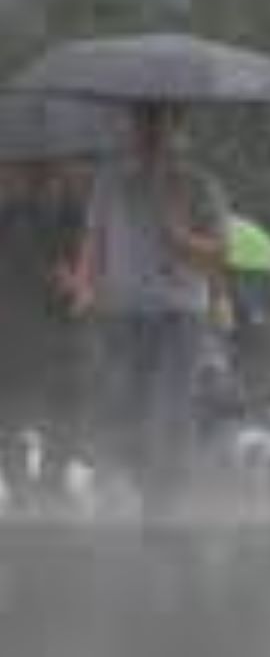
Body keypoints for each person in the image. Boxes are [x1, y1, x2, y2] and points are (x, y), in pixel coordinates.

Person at [81, 102, 229, 515]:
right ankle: (146, 484)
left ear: (177, 128)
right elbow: (94, 239)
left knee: (169, 408)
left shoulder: (200, 184)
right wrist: (86, 284)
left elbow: (220, 253)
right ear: (129, 127)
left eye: (157, 123)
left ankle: (165, 499)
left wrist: (181, 237)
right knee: (124, 406)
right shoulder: (110, 182)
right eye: (140, 122)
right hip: (124, 312)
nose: (147, 132)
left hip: (180, 314)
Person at [0, 161, 92, 512]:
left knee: (66, 401)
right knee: (8, 408)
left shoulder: (73, 211)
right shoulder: (10, 211)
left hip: (59, 324)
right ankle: (20, 483)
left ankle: (50, 480)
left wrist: (76, 279)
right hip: (14, 325)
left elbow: (88, 257)